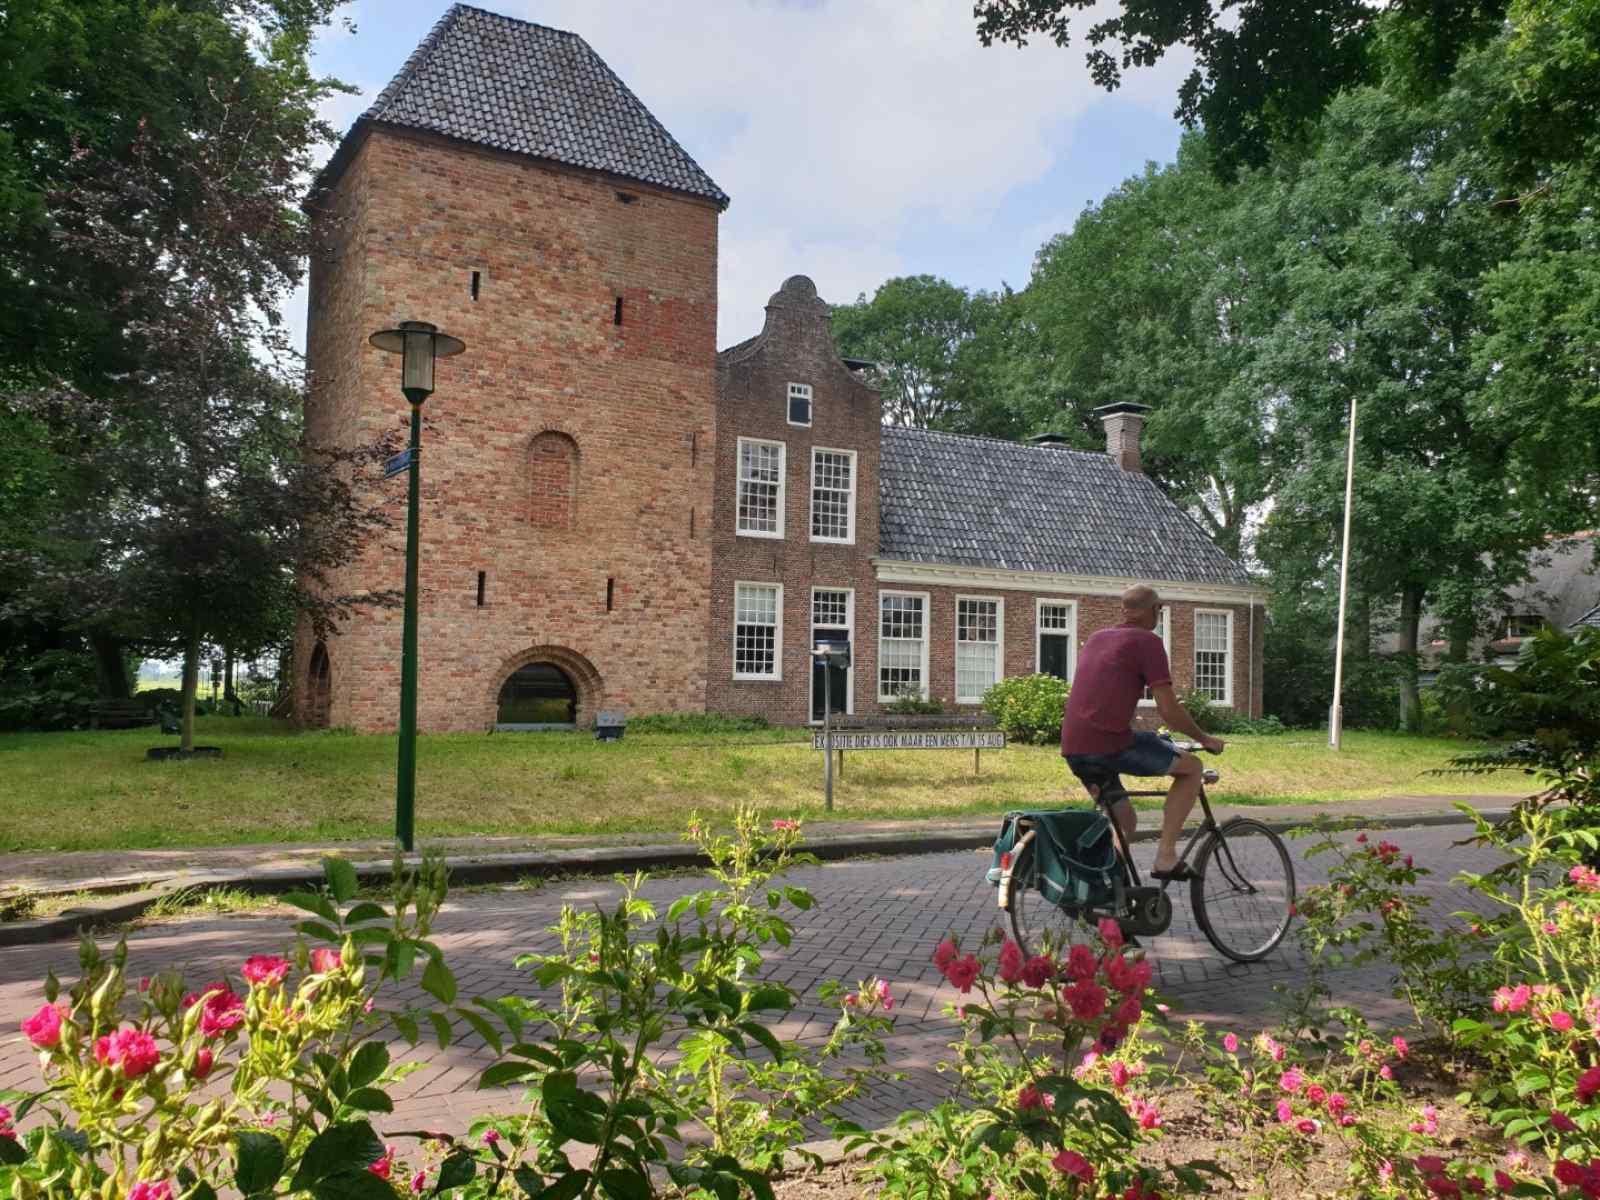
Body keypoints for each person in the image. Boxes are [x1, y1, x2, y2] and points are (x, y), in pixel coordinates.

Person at [1060, 584, 1224, 879]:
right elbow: (1169, 710)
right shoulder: (1148, 642)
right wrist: (1205, 739)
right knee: (1192, 768)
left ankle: (1111, 893)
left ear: (1124, 610)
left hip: (1074, 747)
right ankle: (1166, 858)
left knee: (1125, 823)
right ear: (1154, 610)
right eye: (1159, 610)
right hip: (1110, 745)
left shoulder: (1097, 638)